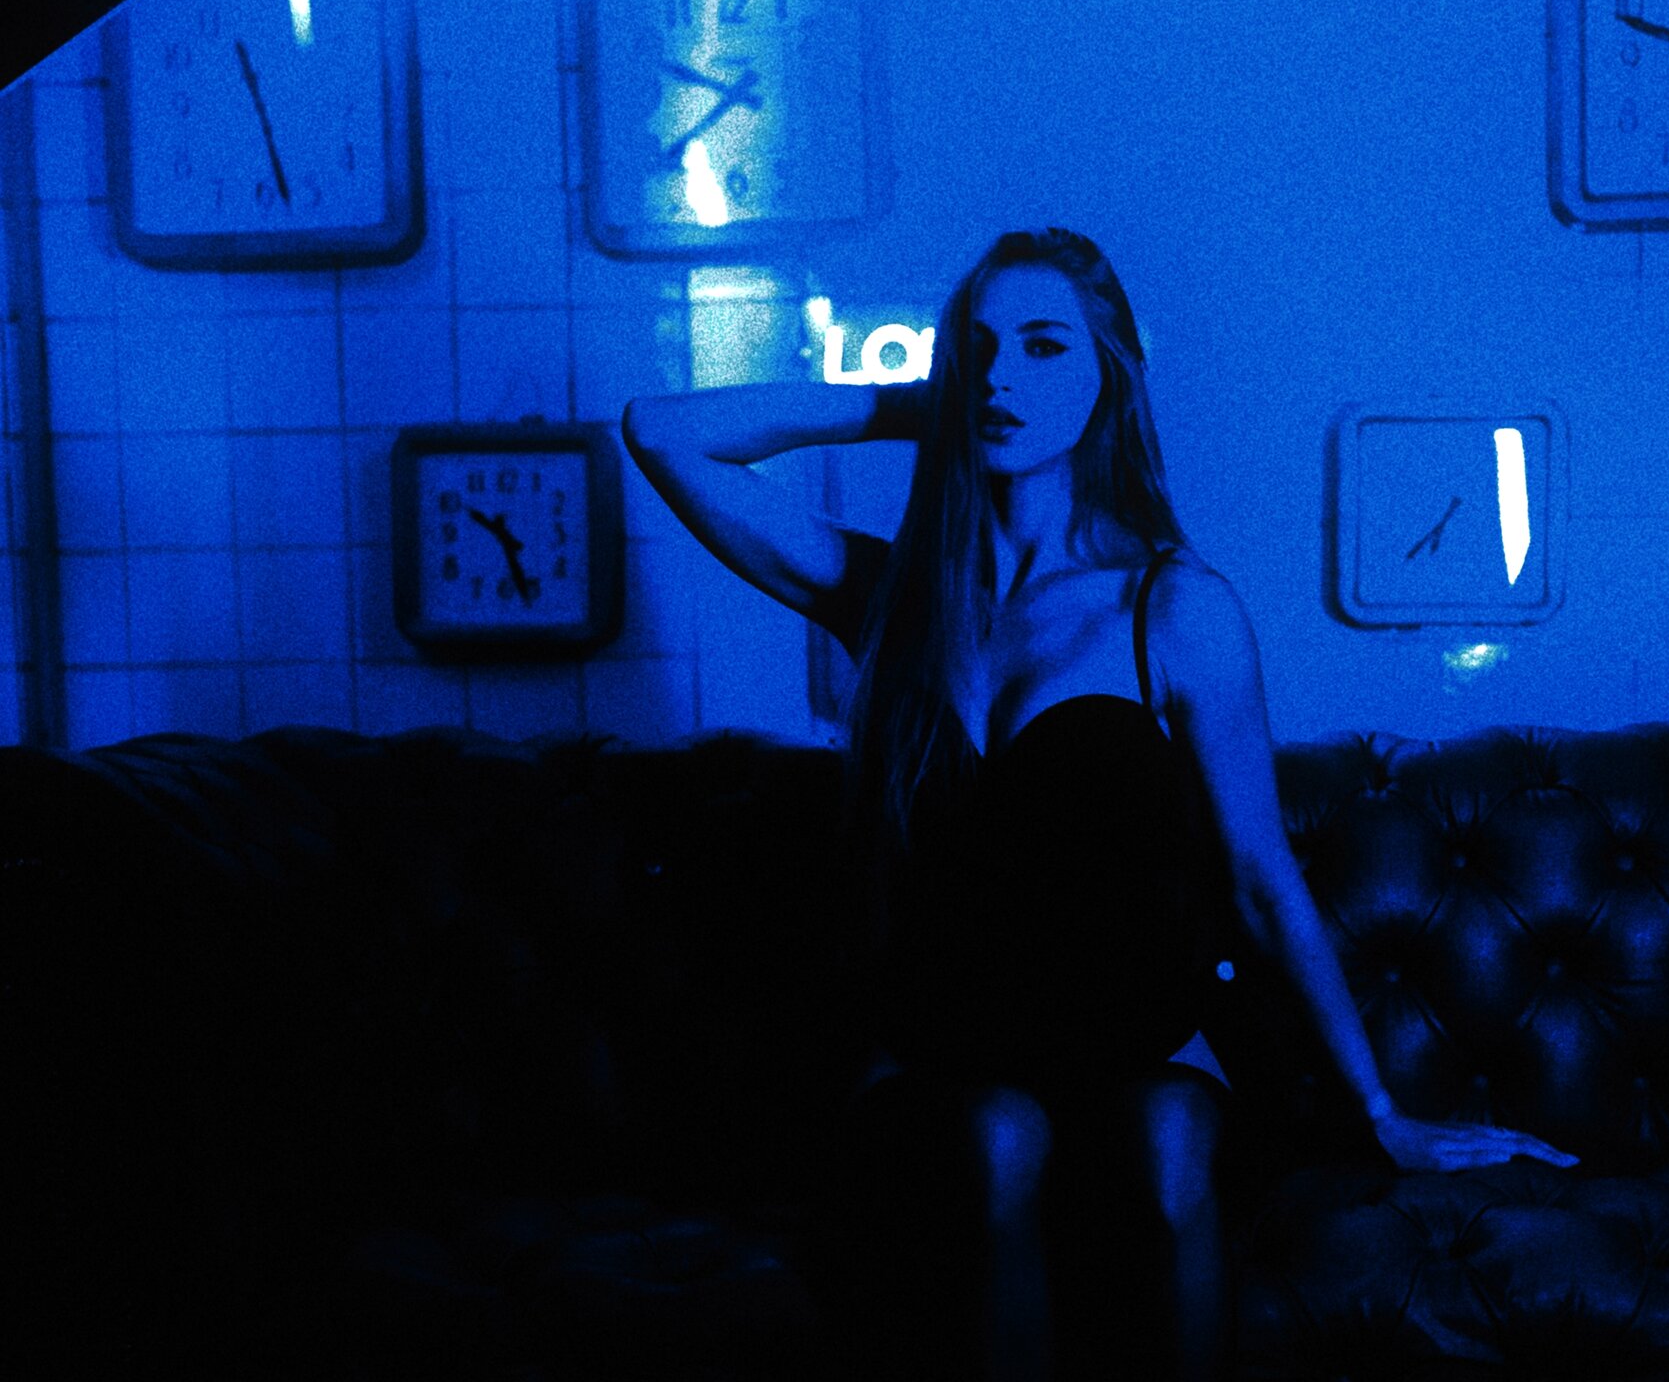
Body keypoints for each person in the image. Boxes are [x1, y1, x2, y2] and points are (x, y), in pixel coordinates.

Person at [621, 227, 1579, 1382]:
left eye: (1043, 347)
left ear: (1108, 373)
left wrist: (1381, 1109)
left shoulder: (1174, 607)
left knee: (1168, 1142)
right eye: (977, 350)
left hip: (1138, 1040)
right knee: (998, 1135)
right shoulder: (887, 594)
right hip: (944, 1055)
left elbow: (1260, 874)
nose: (1002, 376)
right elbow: (662, 431)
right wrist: (917, 407)